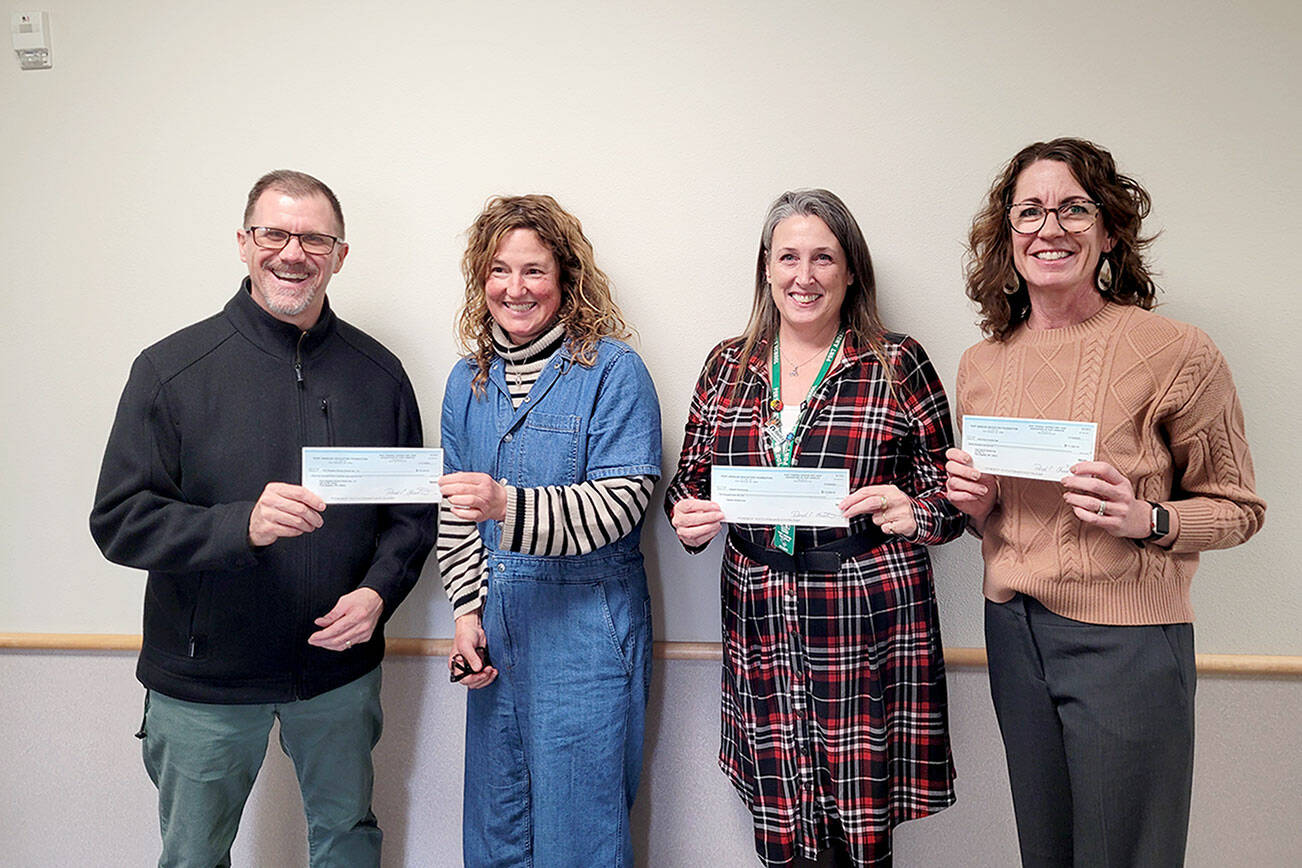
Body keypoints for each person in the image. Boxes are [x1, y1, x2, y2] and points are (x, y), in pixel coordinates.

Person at [89, 170, 436, 867]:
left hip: (338, 673)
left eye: (314, 238)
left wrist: (378, 595)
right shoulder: (169, 369)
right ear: (244, 244)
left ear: (340, 254)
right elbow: (119, 520)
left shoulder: (381, 373)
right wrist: (238, 525)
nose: (292, 252)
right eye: (274, 233)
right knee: (194, 855)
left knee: (346, 839)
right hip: (205, 680)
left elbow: (411, 515)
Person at [945, 137, 1266, 867]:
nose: (1049, 228)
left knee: (1126, 856)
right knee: (1046, 852)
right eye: (1029, 211)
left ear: (1109, 230)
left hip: (1128, 642)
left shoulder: (1177, 351)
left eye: (1073, 209)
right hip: (1013, 633)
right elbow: (1001, 520)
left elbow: (1241, 508)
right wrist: (975, 507)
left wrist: (1148, 519)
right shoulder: (982, 364)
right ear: (1008, 236)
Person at [665, 189, 965, 867]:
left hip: (866, 614)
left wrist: (912, 510)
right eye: (789, 257)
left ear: (851, 269)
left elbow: (956, 499)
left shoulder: (896, 360)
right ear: (766, 270)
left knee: (858, 829)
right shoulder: (728, 365)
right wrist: (688, 520)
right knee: (783, 817)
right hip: (760, 610)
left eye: (823, 257)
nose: (805, 275)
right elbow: (689, 480)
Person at [437, 194, 661, 867]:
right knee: (497, 830)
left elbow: (623, 504)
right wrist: (466, 613)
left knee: (580, 837)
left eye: (534, 271)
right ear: (482, 280)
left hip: (588, 634)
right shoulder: (466, 382)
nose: (515, 288)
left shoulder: (614, 372)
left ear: (565, 279)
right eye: (499, 271)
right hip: (498, 634)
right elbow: (454, 511)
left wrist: (509, 503)